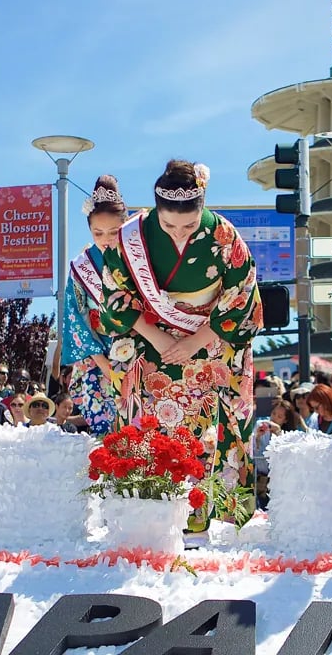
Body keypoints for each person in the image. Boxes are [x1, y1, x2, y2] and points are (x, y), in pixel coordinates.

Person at [101, 159, 263, 520]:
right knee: (149, 427)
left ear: (202, 208)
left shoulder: (223, 235)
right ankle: (147, 514)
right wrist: (155, 336)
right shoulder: (131, 237)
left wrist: (196, 341)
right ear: (155, 210)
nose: (179, 233)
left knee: (214, 426)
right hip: (150, 343)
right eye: (168, 224)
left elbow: (241, 295)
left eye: (189, 225)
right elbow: (114, 295)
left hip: (212, 341)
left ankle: (211, 513)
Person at [62, 175, 126, 436]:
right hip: (96, 359)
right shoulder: (81, 268)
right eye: (98, 233)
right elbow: (75, 318)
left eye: (114, 231)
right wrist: (104, 365)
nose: (106, 239)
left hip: (138, 353)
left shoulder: (138, 259)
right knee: (106, 437)